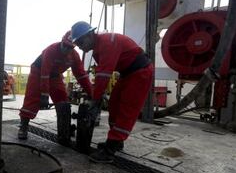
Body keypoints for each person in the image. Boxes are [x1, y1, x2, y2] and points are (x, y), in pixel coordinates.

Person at [70, 21, 153, 163]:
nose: (80, 46)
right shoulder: (98, 48)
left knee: (126, 109)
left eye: (81, 42)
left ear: (90, 34)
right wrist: (97, 96)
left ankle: (110, 150)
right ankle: (116, 142)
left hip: (140, 72)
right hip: (127, 73)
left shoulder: (107, 42)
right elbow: (102, 73)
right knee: (114, 105)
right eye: (77, 44)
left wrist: (95, 100)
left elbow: (103, 75)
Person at [18, 31, 93, 146]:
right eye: (65, 45)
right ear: (62, 41)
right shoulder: (51, 50)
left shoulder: (74, 56)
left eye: (70, 47)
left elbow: (81, 75)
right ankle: (23, 127)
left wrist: (92, 93)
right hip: (38, 72)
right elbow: (45, 73)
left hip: (55, 75)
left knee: (63, 100)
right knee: (32, 100)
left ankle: (65, 127)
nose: (67, 49)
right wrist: (44, 95)